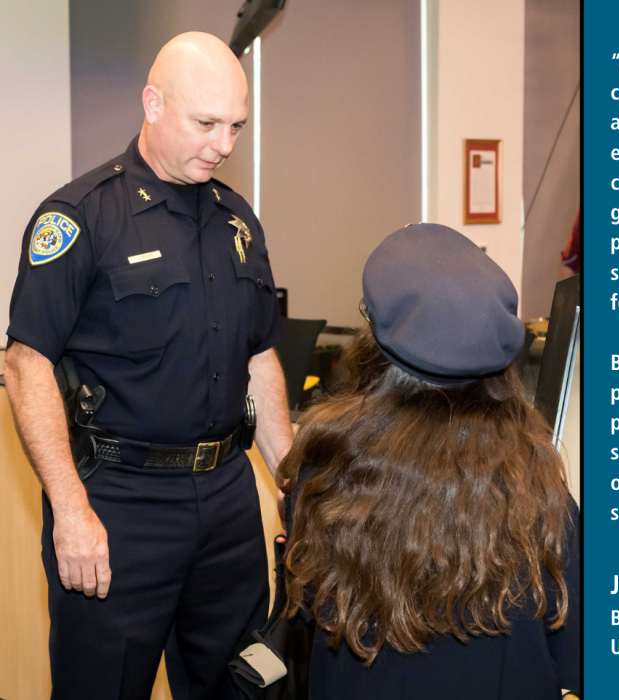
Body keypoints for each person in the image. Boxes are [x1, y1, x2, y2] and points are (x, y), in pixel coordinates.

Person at [3, 32, 293, 699]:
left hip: (225, 500)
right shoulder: (80, 217)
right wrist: (69, 509)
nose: (223, 145)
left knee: (249, 684)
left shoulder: (237, 220)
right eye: (206, 124)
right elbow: (26, 366)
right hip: (119, 502)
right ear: (152, 103)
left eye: (236, 128)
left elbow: (260, 355)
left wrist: (294, 482)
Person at [277, 223, 581, 699]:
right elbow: (572, 655)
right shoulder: (539, 486)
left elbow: (307, 614)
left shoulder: (325, 470)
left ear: (374, 340)